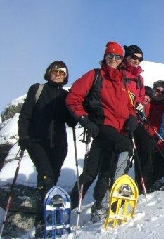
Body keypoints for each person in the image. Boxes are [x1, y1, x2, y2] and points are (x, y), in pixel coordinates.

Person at [66, 41, 137, 222]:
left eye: (117, 56)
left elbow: (128, 106)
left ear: (122, 59)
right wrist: (84, 119)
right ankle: (115, 189)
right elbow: (73, 97)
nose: (113, 59)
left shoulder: (122, 81)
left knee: (96, 170)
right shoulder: (95, 75)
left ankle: (94, 205)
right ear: (105, 57)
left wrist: (132, 117)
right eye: (110, 56)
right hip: (102, 126)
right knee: (126, 147)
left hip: (119, 130)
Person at [18, 61, 76, 230]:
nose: (58, 74)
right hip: (37, 141)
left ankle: (46, 218)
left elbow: (71, 121)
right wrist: (24, 136)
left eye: (62, 72)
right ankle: (42, 220)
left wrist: (76, 104)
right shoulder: (37, 89)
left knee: (52, 180)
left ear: (65, 76)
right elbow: (25, 115)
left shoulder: (65, 96)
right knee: (46, 176)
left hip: (58, 146)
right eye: (55, 71)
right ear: (49, 72)